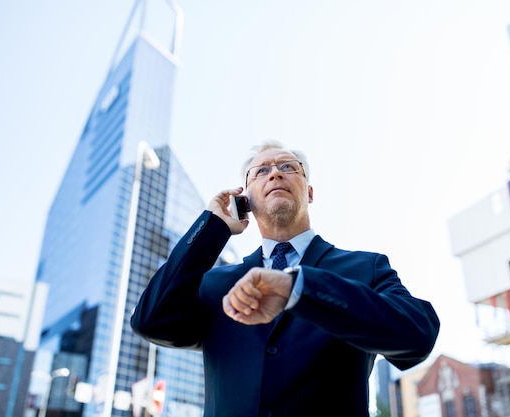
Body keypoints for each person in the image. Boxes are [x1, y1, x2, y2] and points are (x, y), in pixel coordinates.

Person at [131, 140, 440, 417]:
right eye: (261, 171)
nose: (275, 174)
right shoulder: (216, 284)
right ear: (246, 200)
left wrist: (298, 288)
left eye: (288, 167)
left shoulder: (365, 267)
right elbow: (150, 320)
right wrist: (213, 228)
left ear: (309, 191)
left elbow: (419, 334)